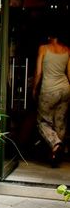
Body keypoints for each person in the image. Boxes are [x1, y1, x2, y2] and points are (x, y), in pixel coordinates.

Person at [32, 30, 70, 166]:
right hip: (65, 89)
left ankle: (55, 143)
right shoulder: (67, 50)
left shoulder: (43, 48)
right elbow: (69, 73)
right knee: (60, 122)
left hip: (49, 90)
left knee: (42, 121)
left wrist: (34, 88)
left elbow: (38, 72)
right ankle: (55, 156)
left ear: (49, 35)